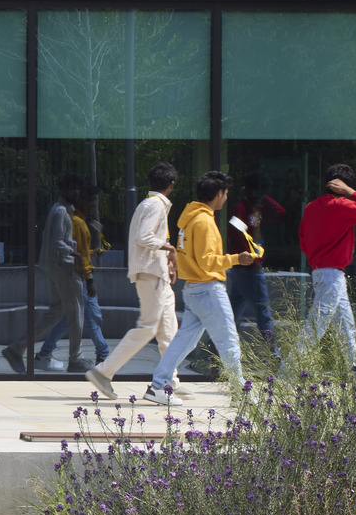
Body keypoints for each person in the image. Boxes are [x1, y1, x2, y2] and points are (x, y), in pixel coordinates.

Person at [142, 171, 265, 401]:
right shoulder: (205, 221)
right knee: (228, 340)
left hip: (193, 289)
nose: (226, 197)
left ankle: (157, 385)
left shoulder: (189, 219)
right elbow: (208, 262)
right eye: (225, 193)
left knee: (183, 342)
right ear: (218, 193)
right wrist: (237, 258)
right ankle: (242, 393)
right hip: (209, 289)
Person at [0, 175, 111, 399]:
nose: (78, 193)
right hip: (63, 268)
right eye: (73, 188)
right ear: (65, 190)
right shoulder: (61, 211)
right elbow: (57, 242)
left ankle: (17, 348)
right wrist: (77, 254)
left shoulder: (61, 210)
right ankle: (75, 358)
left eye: (78, 189)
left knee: (55, 315)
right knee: (77, 313)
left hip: (55, 266)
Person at [94, 163, 182, 393]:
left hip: (156, 274)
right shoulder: (155, 205)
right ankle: (104, 371)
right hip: (151, 274)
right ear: (171, 185)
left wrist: (168, 260)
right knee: (148, 328)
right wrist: (169, 248)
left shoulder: (149, 204)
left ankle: (170, 380)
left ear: (150, 183)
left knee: (168, 329)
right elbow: (145, 237)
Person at [298, 165, 356, 369]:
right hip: (332, 274)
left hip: (320, 271)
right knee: (316, 326)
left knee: (346, 328)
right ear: (343, 186)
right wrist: (351, 192)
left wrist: (318, 258)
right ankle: (287, 372)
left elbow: (303, 241)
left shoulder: (311, 207)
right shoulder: (341, 205)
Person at [225, 175, 285, 347]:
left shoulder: (257, 207)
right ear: (249, 190)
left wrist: (263, 196)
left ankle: (217, 348)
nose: (259, 194)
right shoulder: (241, 208)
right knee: (263, 309)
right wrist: (251, 258)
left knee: (234, 307)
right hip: (248, 266)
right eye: (257, 190)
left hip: (246, 266)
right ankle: (272, 353)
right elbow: (234, 234)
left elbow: (280, 212)